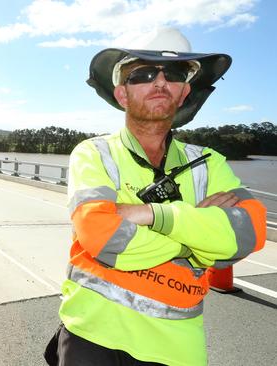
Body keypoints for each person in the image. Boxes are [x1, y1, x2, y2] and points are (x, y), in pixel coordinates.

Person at [45, 28, 267, 366]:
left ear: (184, 91)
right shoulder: (94, 154)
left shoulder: (210, 163)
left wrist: (153, 215)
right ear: (122, 94)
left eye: (174, 74)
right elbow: (104, 238)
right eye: (144, 74)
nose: (160, 82)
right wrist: (198, 241)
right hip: (89, 337)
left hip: (176, 348)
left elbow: (248, 233)